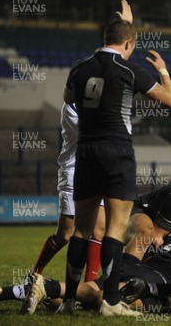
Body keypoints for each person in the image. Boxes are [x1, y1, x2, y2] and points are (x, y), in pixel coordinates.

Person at [57, 0, 171, 316]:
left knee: (81, 231)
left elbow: (69, 97)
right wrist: (163, 72)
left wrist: (127, 28)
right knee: (115, 227)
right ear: (128, 43)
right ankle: (110, 302)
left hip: (86, 151)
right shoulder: (130, 69)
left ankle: (69, 301)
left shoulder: (80, 69)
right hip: (117, 152)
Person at [0, 197, 171, 315]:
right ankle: (51, 292)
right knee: (117, 301)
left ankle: (38, 288)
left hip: (132, 264)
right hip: (155, 277)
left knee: (85, 290)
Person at [29, 103, 106, 289]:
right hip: (74, 172)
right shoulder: (71, 106)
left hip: (99, 172)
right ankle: (34, 275)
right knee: (65, 234)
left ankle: (88, 289)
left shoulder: (105, 99)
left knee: (98, 231)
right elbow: (88, 134)